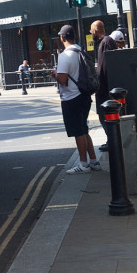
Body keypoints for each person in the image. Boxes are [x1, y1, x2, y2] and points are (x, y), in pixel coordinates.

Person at [53, 24, 100, 173]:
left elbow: (62, 79)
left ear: (62, 37)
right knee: (84, 129)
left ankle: (83, 164)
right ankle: (94, 161)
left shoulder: (64, 56)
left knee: (78, 132)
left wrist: (54, 74)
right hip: (84, 95)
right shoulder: (81, 50)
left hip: (71, 98)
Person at [90, 21, 117, 152]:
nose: (91, 34)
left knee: (104, 115)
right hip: (105, 87)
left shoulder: (106, 42)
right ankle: (111, 140)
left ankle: (112, 140)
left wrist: (100, 84)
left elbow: (106, 67)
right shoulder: (105, 41)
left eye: (91, 31)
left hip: (105, 88)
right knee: (103, 115)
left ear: (95, 31)